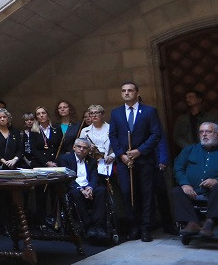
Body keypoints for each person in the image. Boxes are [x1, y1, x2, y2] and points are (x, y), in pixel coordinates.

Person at [108, 81, 161, 242]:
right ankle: (134, 226)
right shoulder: (116, 113)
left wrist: (140, 151)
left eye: (130, 90)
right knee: (127, 193)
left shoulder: (149, 111)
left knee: (145, 193)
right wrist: (121, 155)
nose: (126, 93)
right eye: (123, 90)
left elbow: (155, 134)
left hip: (144, 160)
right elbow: (113, 135)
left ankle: (146, 228)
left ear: (137, 93)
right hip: (125, 162)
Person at [173, 122, 218, 238]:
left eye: (208, 132)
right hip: (192, 190)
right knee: (177, 191)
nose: (204, 135)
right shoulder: (189, 150)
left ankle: (211, 223)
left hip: (215, 192)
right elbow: (178, 168)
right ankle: (192, 223)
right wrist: (185, 184)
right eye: (201, 132)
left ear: (217, 134)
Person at [58, 138, 107, 240]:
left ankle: (99, 226)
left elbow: (94, 177)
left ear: (89, 150)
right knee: (76, 193)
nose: (81, 149)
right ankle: (88, 226)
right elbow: (67, 178)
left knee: (101, 190)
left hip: (88, 186)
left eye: (85, 148)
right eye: (79, 147)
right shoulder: (65, 159)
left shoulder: (92, 161)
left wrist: (90, 188)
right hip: (74, 187)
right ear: (74, 147)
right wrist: (81, 189)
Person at [80, 105, 115, 179]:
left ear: (103, 114)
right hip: (92, 162)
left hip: (109, 162)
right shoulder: (84, 131)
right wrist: (89, 149)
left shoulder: (112, 128)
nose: (94, 115)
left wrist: (112, 156)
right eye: (92, 113)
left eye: (97, 113)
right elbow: (80, 149)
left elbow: (119, 145)